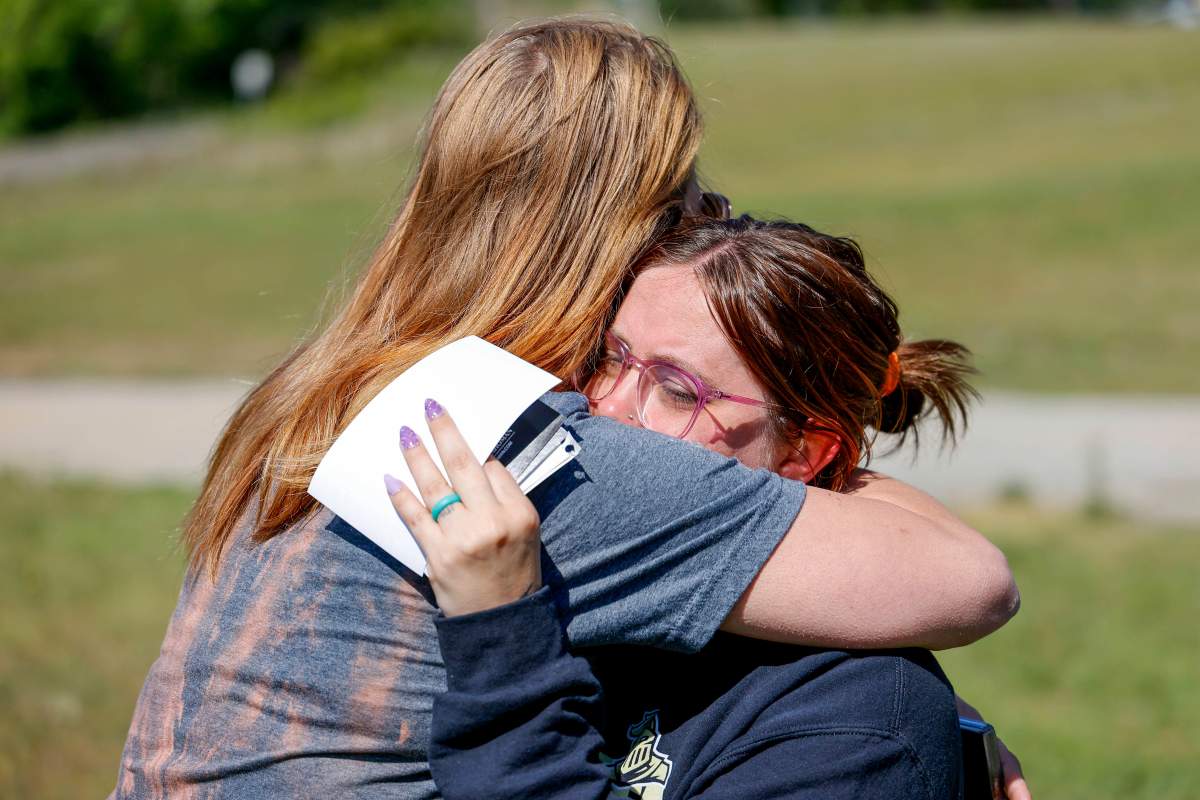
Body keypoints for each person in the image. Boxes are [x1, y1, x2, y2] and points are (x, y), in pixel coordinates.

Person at [112, 20, 1017, 799]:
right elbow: (969, 582)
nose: (712, 212)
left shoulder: (345, 382)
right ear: (615, 228)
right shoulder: (528, 448)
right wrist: (921, 714)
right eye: (688, 198)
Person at [399, 216, 1028, 799]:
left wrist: (502, 642)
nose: (606, 409)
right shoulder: (590, 563)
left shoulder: (857, 729)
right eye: (611, 357)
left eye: (677, 390)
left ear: (803, 453)